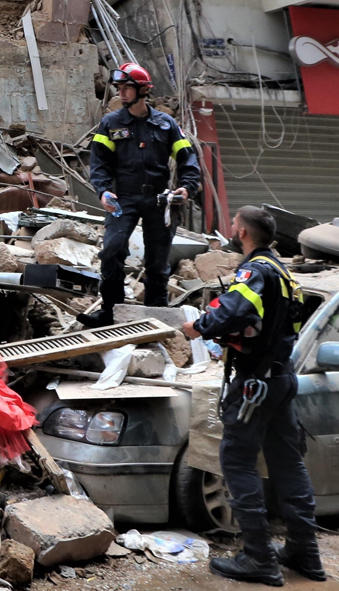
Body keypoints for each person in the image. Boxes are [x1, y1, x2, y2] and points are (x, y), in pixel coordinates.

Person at [185, 206, 323, 585]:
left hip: (253, 385)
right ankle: (304, 553)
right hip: (280, 379)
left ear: (243, 232)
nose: (231, 230)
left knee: (238, 464)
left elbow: (234, 311)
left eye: (233, 226)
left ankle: (258, 557)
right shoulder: (284, 272)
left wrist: (198, 327)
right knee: (289, 465)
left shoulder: (254, 271)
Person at [82, 63, 199, 326]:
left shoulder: (165, 124)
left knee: (157, 261)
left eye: (126, 88)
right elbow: (98, 163)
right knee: (112, 250)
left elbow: (187, 158)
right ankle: (110, 311)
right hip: (123, 199)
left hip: (160, 200)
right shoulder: (111, 124)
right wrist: (103, 191)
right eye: (119, 89)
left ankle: (156, 314)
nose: (121, 94)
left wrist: (187, 187)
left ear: (143, 90)